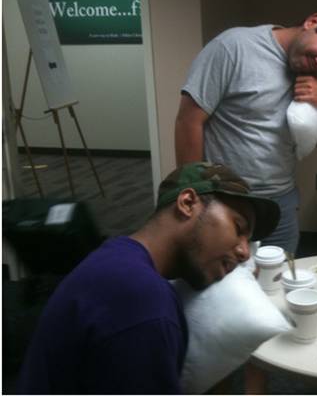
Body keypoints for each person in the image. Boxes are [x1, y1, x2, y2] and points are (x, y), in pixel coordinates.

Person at [17, 162, 280, 394]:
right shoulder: (142, 301)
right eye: (238, 227)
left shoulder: (118, 255)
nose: (245, 253)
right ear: (188, 203)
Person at [175, 4, 317, 253]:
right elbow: (189, 120)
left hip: (281, 204)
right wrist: (194, 197)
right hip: (224, 200)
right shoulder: (233, 47)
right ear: (312, 22)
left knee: (282, 276)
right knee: (224, 277)